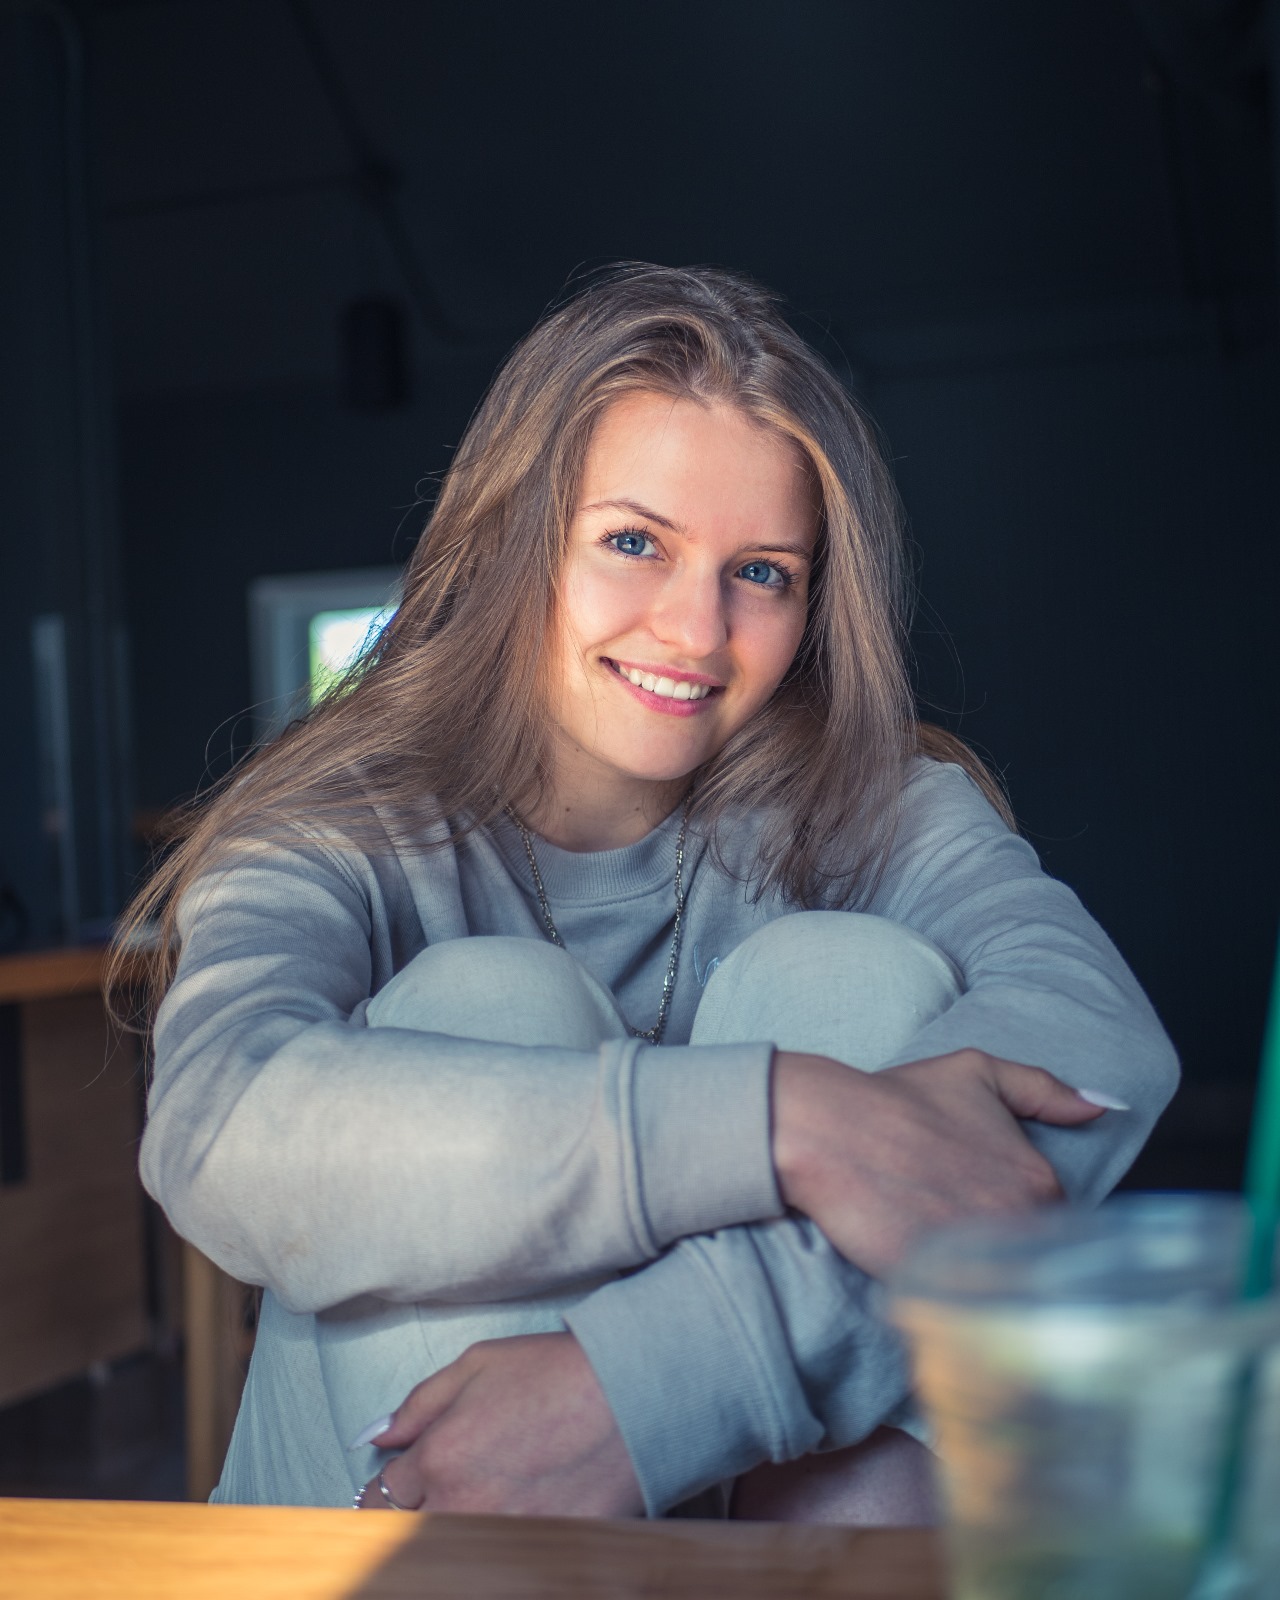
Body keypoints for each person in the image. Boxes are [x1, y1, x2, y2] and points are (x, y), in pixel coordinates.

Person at [114, 263, 1178, 1523]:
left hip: (749, 1495)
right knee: (487, 1001)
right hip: (377, 1510)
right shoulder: (338, 821)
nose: (693, 629)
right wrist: (784, 1120)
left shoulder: (867, 799)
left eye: (763, 572)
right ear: (520, 541)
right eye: (633, 542)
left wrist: (672, 1380)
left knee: (848, 978)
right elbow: (220, 1123)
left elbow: (1094, 1043)